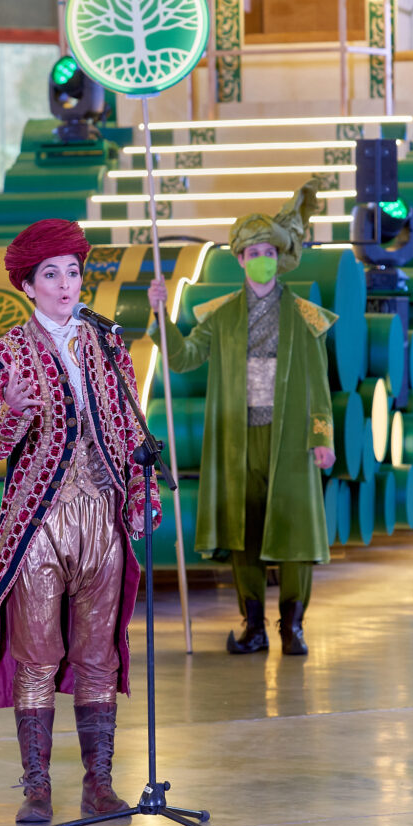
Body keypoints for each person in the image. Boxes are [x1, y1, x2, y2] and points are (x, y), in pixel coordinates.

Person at [0, 218, 160, 825]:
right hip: (37, 524)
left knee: (98, 655)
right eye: (50, 274)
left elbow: (131, 429)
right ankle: (37, 787)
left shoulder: (108, 345)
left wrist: (141, 492)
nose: (64, 284)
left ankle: (99, 784)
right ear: (27, 285)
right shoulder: (7, 353)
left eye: (72, 272)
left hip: (102, 517)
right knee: (37, 656)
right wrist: (9, 409)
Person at [147, 182, 336, 656]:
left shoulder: (305, 317)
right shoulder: (221, 316)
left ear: (280, 257)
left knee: (294, 532)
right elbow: (184, 358)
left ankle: (293, 627)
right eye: (254, 253)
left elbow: (318, 386)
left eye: (269, 252)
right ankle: (253, 626)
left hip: (290, 439)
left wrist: (322, 438)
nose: (262, 260)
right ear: (240, 259)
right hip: (237, 439)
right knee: (243, 532)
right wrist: (161, 317)